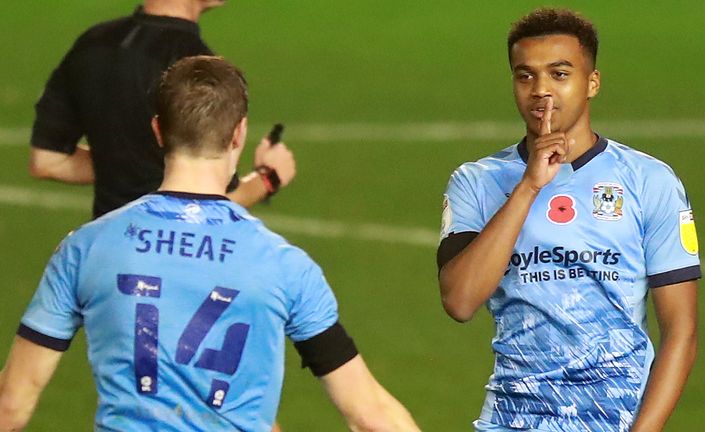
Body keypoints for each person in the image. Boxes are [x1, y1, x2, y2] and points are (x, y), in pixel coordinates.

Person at [0, 56, 419, 432]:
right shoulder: (284, 265)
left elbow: (11, 408)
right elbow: (369, 414)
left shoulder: (86, 249)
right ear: (238, 134)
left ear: (158, 131)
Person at [437, 8, 699, 432]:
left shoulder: (649, 181)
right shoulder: (477, 182)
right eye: (525, 76)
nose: (541, 90)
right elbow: (460, 300)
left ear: (591, 83)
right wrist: (529, 186)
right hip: (510, 420)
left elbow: (681, 334)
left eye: (559, 74)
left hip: (616, 420)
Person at [28, 0, 295, 219]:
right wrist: (270, 177)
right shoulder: (197, 73)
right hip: (173, 266)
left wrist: (122, 164)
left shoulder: (92, 44)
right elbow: (215, 202)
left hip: (106, 259)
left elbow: (48, 162)